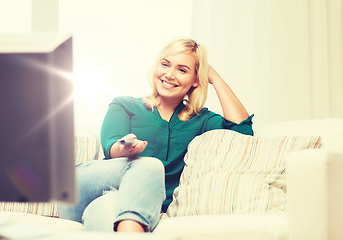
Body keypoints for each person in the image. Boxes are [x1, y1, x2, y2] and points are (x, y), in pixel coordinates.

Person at [58, 37, 254, 232]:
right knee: (149, 165)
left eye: (182, 70)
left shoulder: (201, 120)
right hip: (83, 190)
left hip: (134, 203)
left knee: (104, 210)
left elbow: (242, 132)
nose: (169, 74)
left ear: (196, 80)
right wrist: (125, 148)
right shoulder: (125, 105)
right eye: (165, 64)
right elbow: (111, 147)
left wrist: (214, 78)